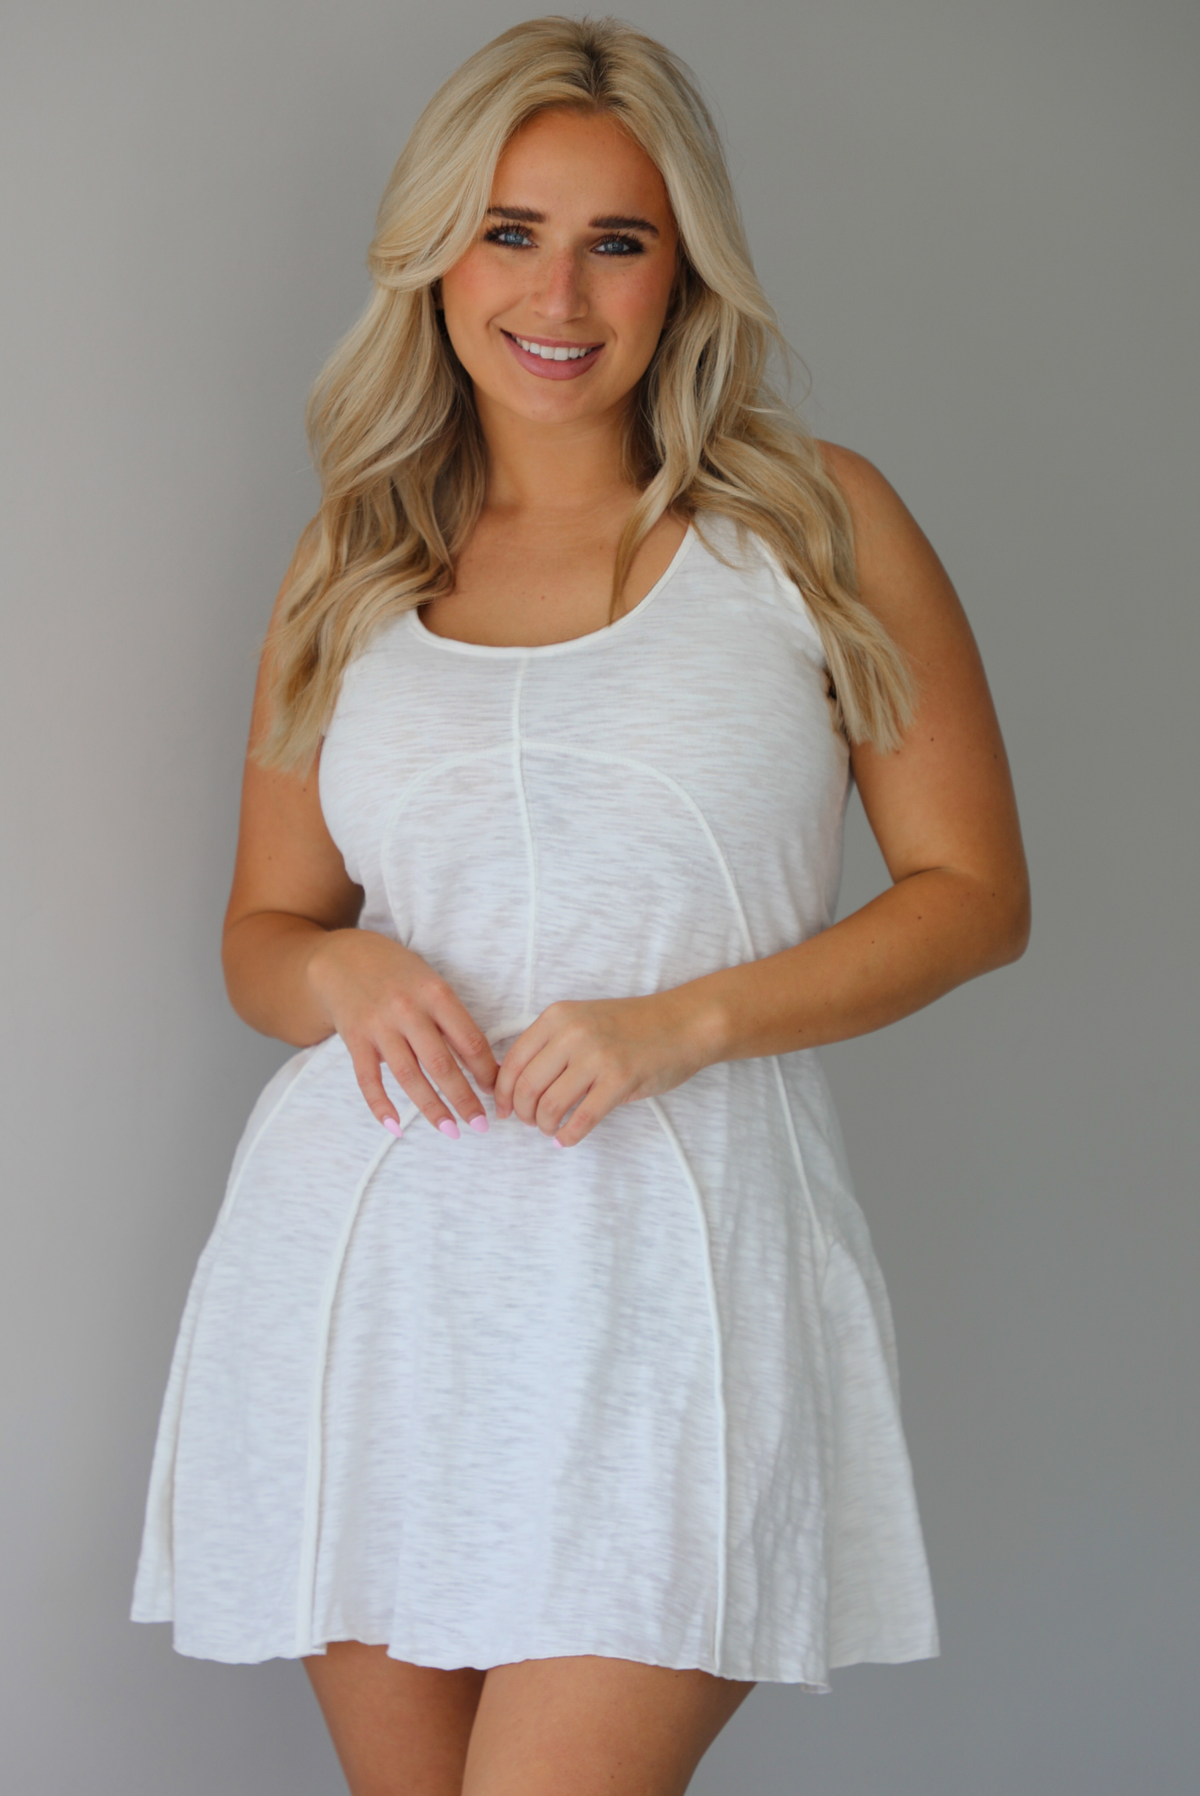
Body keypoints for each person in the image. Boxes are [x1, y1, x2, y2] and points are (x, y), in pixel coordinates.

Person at [131, 16, 1030, 1795]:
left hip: (670, 1277)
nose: (560, 291)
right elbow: (261, 936)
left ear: (684, 266)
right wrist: (342, 962)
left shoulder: (817, 529)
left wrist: (684, 1019)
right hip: (371, 1276)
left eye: (616, 239)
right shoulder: (352, 553)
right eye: (509, 230)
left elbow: (974, 894)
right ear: (436, 256)